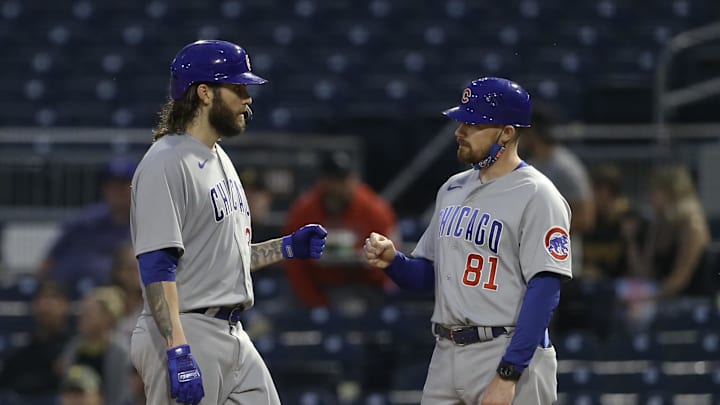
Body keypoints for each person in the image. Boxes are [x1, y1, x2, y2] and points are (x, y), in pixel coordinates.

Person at [129, 39, 328, 405]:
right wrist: (177, 349)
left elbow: (224, 258)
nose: (247, 98)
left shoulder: (218, 157)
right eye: (237, 88)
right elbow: (157, 267)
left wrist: (285, 247)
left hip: (231, 331)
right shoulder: (166, 163)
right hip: (186, 329)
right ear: (204, 93)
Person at [363, 77, 571, 404]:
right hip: (446, 351)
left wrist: (509, 373)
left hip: (505, 348)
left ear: (507, 132)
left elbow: (545, 290)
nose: (460, 131)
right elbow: (432, 277)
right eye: (462, 121)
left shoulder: (538, 195)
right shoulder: (452, 188)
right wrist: (394, 262)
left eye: (473, 124)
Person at [283, 151, 399, 308]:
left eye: (342, 180)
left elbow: (389, 260)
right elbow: (294, 264)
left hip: (360, 286)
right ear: (321, 181)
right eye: (332, 179)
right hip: (318, 284)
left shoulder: (374, 210)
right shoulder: (304, 211)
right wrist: (317, 304)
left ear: (354, 179)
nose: (337, 187)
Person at [37, 157, 137, 295]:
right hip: (70, 296)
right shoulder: (85, 221)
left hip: (126, 299)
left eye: (123, 185)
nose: (116, 191)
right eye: (111, 185)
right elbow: (48, 262)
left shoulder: (147, 224)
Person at [518, 105, 594, 275]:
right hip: (530, 262)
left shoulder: (566, 167)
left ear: (533, 132)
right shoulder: (529, 165)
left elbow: (586, 218)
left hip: (560, 264)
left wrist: (544, 233)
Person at [625, 165, 712, 298]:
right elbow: (645, 273)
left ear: (672, 192)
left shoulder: (691, 225)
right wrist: (631, 240)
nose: (650, 196)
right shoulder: (658, 224)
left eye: (655, 191)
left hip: (693, 302)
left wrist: (650, 299)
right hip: (665, 299)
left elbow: (681, 278)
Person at [0, 281, 72, 401]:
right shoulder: (23, 353)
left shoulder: (73, 348)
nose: (46, 304)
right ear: (34, 306)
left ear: (65, 305)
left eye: (53, 298)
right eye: (42, 298)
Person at [60, 286, 131, 405]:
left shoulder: (121, 351)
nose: (81, 317)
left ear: (108, 317)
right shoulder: (74, 347)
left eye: (88, 313)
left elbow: (121, 396)